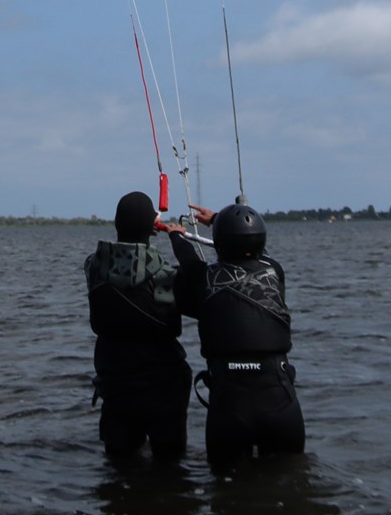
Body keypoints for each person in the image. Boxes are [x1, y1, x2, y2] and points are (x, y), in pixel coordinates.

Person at [166, 199, 305, 468]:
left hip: (229, 406)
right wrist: (220, 219)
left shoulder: (202, 278)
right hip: (279, 400)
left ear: (219, 244)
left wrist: (175, 235)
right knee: (290, 487)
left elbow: (189, 261)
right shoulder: (274, 272)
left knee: (225, 494)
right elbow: (250, 248)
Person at [84, 190, 191, 463]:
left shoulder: (95, 268)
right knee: (170, 468)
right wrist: (174, 234)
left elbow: (110, 260)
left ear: (117, 224)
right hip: (162, 387)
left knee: (119, 468)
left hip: (117, 386)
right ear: (152, 231)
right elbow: (171, 317)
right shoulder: (166, 274)